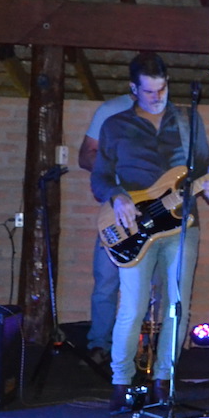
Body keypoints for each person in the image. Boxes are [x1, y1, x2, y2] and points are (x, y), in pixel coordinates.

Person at [91, 52, 209, 412]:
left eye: (162, 89)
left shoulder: (188, 120)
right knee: (132, 307)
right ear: (133, 89)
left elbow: (204, 165)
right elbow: (100, 176)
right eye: (148, 91)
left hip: (182, 223)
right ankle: (121, 383)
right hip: (134, 225)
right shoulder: (115, 125)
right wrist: (117, 196)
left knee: (177, 307)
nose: (157, 97)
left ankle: (164, 381)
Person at [78, 91, 134, 366]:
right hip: (116, 204)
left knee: (151, 286)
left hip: (154, 209)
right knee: (106, 280)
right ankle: (99, 345)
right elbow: (85, 156)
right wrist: (110, 173)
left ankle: (140, 349)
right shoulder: (112, 109)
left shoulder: (169, 114)